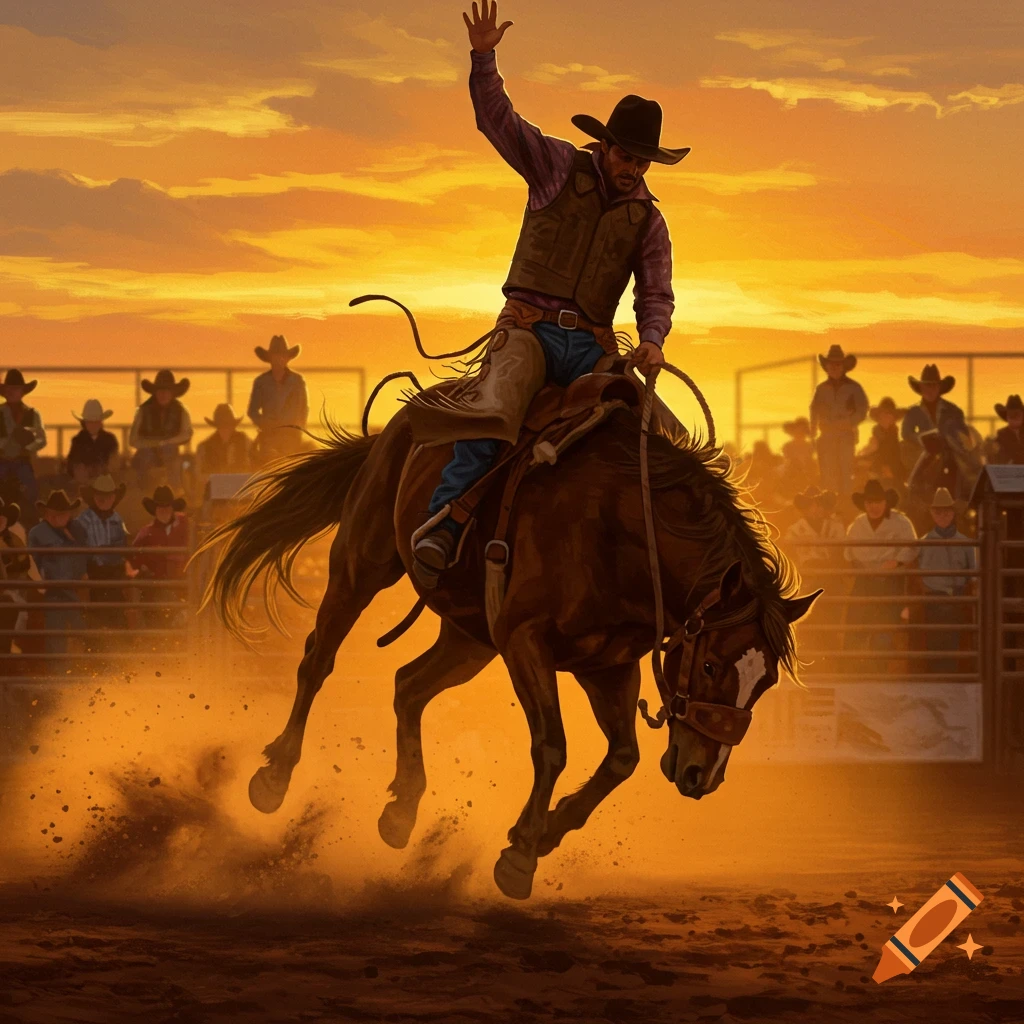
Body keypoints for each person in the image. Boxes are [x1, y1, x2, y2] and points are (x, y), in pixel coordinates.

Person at [408, 1, 689, 580]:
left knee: (666, 438)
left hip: (591, 347)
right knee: (496, 409)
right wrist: (483, 59)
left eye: (643, 162)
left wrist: (653, 340)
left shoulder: (649, 221)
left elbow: (655, 293)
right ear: (604, 146)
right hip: (528, 330)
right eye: (626, 156)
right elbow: (499, 121)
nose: (633, 169)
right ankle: (446, 521)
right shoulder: (556, 166)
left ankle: (660, 559)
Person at [843, 479, 917, 671]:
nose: (873, 506)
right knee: (855, 622)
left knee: (885, 626)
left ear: (886, 502)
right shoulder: (857, 525)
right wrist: (857, 567)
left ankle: (879, 670)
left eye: (878, 501)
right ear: (864, 504)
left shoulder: (901, 522)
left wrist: (897, 562)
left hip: (890, 580)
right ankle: (851, 669)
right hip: (865, 580)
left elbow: (912, 547)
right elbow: (848, 552)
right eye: (869, 502)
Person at [916, 487, 976, 675]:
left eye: (947, 512)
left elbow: (974, 574)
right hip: (933, 599)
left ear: (953, 513)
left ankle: (950, 678)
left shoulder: (967, 544)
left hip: (958, 599)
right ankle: (938, 679)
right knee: (935, 641)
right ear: (932, 514)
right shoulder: (923, 543)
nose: (943, 516)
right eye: (938, 512)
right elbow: (916, 574)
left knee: (954, 642)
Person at [27, 489, 87, 656]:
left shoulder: (77, 529)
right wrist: (39, 585)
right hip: (52, 591)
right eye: (52, 514)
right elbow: (33, 562)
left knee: (82, 630)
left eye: (61, 514)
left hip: (75, 589)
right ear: (46, 514)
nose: (56, 518)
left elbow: (84, 555)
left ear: (68, 514)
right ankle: (58, 667)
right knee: (56, 633)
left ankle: (84, 664)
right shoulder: (38, 533)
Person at [810, 345, 868, 505]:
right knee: (827, 472)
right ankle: (829, 505)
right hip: (826, 437)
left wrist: (848, 422)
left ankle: (845, 504)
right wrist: (813, 432)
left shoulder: (854, 388)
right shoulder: (821, 389)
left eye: (837, 364)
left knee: (845, 471)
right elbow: (813, 410)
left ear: (843, 366)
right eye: (831, 364)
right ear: (827, 367)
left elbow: (862, 410)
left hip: (845, 436)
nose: (834, 367)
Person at [77, 475, 134, 632]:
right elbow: (78, 547)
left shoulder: (117, 518)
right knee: (97, 613)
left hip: (114, 572)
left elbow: (124, 543)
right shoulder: (84, 519)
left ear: (114, 498)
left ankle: (118, 640)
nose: (105, 500)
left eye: (108, 496)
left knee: (117, 611)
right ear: (94, 497)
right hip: (94, 572)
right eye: (100, 496)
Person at [133, 486, 189, 628]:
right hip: (155, 588)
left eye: (167, 506)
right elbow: (134, 559)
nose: (163, 510)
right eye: (160, 506)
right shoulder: (146, 533)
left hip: (181, 586)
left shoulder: (185, 526)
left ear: (172, 508)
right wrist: (143, 568)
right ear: (155, 509)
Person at [247, 336, 309, 464]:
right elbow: (252, 411)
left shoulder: (298, 381)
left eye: (281, 356)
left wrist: (298, 430)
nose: (278, 359)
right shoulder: (261, 382)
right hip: (269, 436)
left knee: (290, 467)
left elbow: (304, 409)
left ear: (287, 358)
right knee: (270, 468)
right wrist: (265, 424)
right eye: (275, 356)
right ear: (270, 359)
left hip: (291, 436)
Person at [129, 370, 193, 488]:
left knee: (173, 457)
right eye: (160, 391)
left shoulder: (181, 411)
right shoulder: (143, 411)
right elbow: (133, 440)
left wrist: (168, 442)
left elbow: (187, 434)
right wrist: (154, 444)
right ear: (155, 392)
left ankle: (175, 491)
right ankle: (144, 491)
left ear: (172, 393)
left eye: (167, 391)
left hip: (170, 452)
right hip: (147, 452)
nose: (163, 394)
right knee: (144, 458)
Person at [0, 369, 47, 519]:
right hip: (1, 460)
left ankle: (33, 519)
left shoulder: (33, 414)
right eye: (9, 389)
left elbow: (42, 439)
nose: (12, 392)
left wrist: (28, 448)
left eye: (15, 389)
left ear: (22, 391)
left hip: (22, 461)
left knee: (32, 492)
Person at [0, 497, 31, 656]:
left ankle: (9, 641)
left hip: (11, 587)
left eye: (1, 518)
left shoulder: (13, 540)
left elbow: (25, 563)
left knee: (16, 606)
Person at [858, 396, 907, 491]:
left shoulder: (892, 434)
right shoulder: (878, 434)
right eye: (883, 415)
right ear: (879, 417)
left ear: (893, 418)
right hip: (879, 471)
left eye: (889, 415)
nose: (885, 418)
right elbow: (871, 451)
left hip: (891, 472)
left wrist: (891, 469)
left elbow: (894, 455)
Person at [66, 399, 119, 485]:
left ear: (101, 422)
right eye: (90, 422)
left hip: (106, 482)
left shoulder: (110, 440)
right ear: (84, 423)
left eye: (96, 422)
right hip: (83, 483)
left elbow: (115, 464)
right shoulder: (77, 441)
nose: (93, 425)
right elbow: (71, 465)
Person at [196, 404, 253, 478]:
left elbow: (253, 465)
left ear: (233, 425)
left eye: (228, 425)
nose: (225, 428)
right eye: (222, 425)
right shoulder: (205, 447)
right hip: (216, 484)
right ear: (217, 427)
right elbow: (199, 474)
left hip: (242, 483)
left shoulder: (245, 442)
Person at [780, 417, 817, 495]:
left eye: (802, 431)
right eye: (798, 431)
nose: (799, 433)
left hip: (807, 475)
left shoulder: (809, 446)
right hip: (793, 474)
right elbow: (787, 462)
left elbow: (810, 462)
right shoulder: (787, 446)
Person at [993, 394, 1024, 465]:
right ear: (1006, 416)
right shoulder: (1001, 435)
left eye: (1017, 414)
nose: (1014, 417)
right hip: (1009, 470)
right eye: (1010, 415)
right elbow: (997, 458)